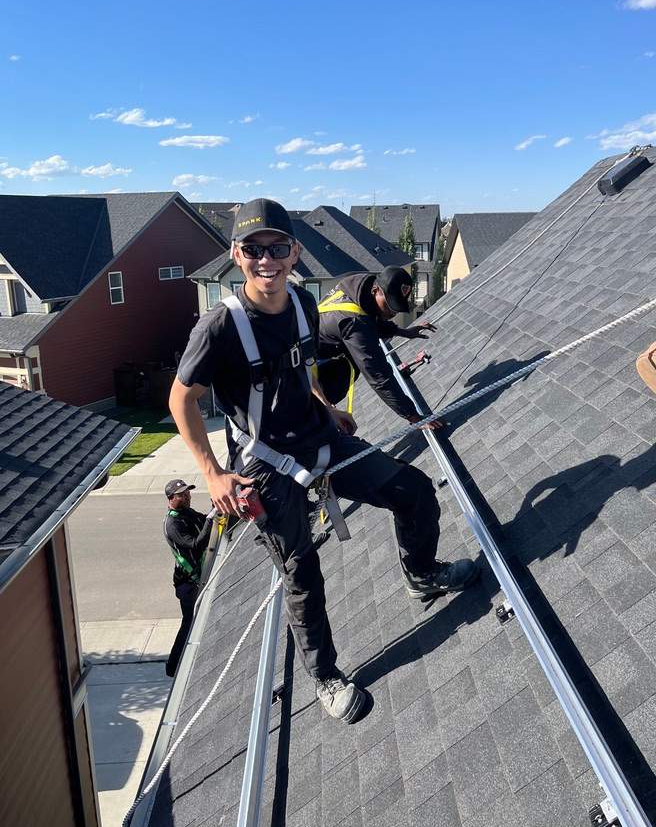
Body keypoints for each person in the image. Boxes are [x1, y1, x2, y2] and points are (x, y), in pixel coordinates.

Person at [168, 198, 478, 724]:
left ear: (294, 253)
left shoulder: (301, 304)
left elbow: (303, 365)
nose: (267, 261)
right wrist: (212, 473)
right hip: (265, 461)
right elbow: (181, 399)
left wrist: (325, 406)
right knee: (301, 571)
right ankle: (326, 676)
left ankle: (422, 573)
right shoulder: (220, 327)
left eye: (277, 249)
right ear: (236, 255)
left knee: (414, 490)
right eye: (253, 250)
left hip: (318, 436)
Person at [316, 266, 440, 427]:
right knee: (349, 368)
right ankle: (317, 416)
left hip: (316, 352)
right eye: (389, 305)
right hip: (308, 372)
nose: (393, 313)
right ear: (375, 291)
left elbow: (369, 318)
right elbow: (379, 376)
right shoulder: (353, 323)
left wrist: (402, 332)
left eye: (397, 307)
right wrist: (413, 416)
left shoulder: (359, 285)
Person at [163, 479, 214, 677]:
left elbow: (204, 520)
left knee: (192, 620)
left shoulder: (186, 513)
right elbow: (195, 544)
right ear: (171, 499)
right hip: (187, 583)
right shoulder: (173, 524)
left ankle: (176, 663)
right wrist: (211, 520)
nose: (187, 496)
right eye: (181, 495)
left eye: (187, 493)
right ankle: (173, 666)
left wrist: (214, 511)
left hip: (194, 578)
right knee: (190, 622)